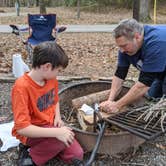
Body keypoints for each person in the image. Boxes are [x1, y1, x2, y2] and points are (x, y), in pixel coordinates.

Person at [11, 41, 83, 166]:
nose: (58, 74)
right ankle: (29, 153)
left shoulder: (51, 79)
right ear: (47, 66)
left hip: (50, 127)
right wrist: (57, 133)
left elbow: (55, 100)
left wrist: (58, 117)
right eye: (59, 70)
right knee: (60, 139)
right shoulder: (21, 87)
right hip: (32, 132)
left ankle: (47, 147)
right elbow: (22, 128)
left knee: (77, 155)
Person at [100, 18, 166, 113]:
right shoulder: (125, 48)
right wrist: (110, 100)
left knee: (163, 104)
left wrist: (117, 105)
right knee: (152, 98)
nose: (121, 51)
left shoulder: (156, 43)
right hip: (159, 70)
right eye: (119, 46)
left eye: (124, 46)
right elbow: (120, 74)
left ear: (137, 37)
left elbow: (143, 85)